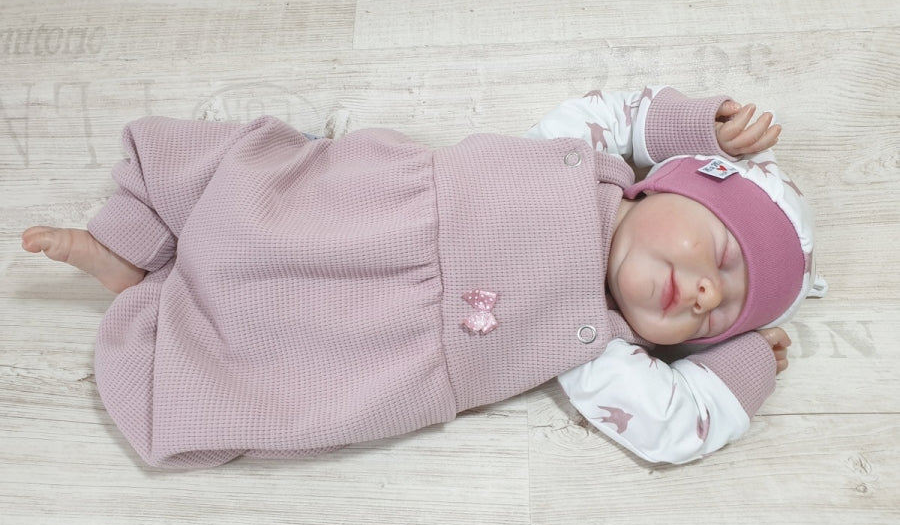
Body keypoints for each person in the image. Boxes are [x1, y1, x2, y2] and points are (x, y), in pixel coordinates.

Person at [21, 86, 826, 469]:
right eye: (721, 253)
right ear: (671, 185)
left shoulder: (598, 348)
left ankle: (146, 303)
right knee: (252, 190)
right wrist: (696, 127)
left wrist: (741, 363)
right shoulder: (585, 159)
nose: (708, 291)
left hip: (387, 341)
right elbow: (619, 111)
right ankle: (137, 237)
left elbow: (670, 425)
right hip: (368, 204)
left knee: (275, 358)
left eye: (720, 314)